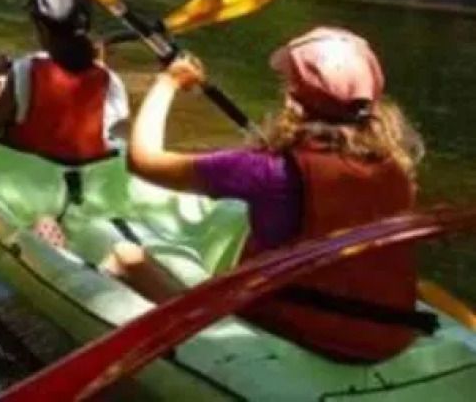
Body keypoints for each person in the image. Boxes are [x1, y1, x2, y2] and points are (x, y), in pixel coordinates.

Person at [109, 27, 431, 363]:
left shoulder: (267, 170)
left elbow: (142, 161)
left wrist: (168, 82)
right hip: (388, 336)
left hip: (301, 328)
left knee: (126, 257)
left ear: (293, 98)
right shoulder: (395, 167)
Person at [0, 0, 130, 165]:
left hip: (35, 175)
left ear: (42, 28)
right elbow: (120, 134)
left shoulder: (27, 69)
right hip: (84, 173)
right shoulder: (110, 80)